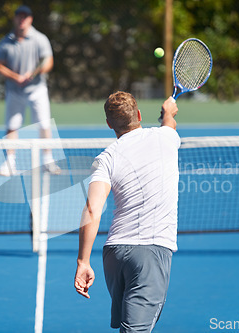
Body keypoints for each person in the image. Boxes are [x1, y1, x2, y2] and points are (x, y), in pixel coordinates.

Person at [74, 91, 180, 332]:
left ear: (109, 124)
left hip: (114, 255)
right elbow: (169, 122)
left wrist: (83, 261)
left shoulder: (106, 158)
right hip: (150, 254)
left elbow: (92, 208)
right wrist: (168, 111)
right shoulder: (166, 137)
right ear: (139, 115)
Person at [0, 5, 59, 176]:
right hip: (14, 91)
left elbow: (48, 62)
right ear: (15, 19)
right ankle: (10, 162)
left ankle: (48, 160)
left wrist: (36, 72)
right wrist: (16, 77)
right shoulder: (5, 42)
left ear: (30, 19)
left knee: (44, 124)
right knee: (12, 126)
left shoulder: (40, 39)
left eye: (25, 17)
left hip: (37, 89)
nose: (22, 20)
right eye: (19, 16)